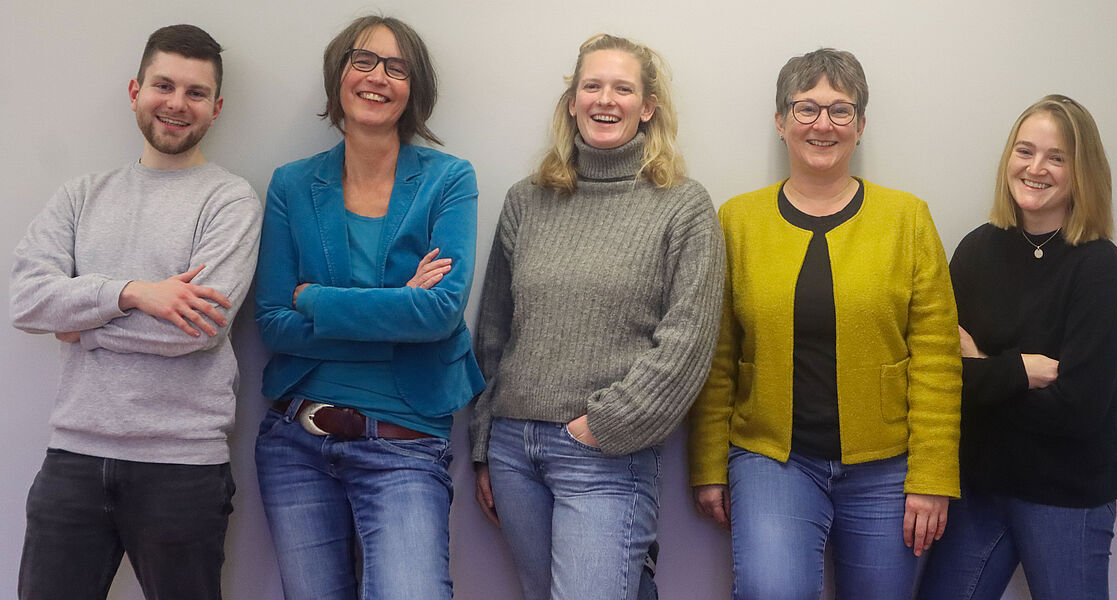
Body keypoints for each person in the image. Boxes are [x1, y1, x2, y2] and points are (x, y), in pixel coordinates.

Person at [687, 48, 962, 600]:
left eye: (841, 110)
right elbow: (716, 355)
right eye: (806, 108)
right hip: (771, 460)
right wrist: (709, 464)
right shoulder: (737, 220)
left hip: (886, 464)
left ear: (860, 125)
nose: (823, 124)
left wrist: (933, 475)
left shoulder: (906, 218)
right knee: (771, 590)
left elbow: (936, 355)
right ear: (780, 121)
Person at [8, 24, 261, 600]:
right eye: (163, 85)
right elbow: (26, 300)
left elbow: (198, 330)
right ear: (135, 91)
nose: (177, 103)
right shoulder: (80, 196)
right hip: (72, 459)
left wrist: (81, 327)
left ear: (216, 107)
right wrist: (133, 294)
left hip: (182, 467)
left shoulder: (229, 200)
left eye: (196, 92)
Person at [469, 33, 724, 600]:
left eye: (622, 89)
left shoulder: (683, 206)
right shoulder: (526, 200)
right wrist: (486, 443)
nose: (605, 100)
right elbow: (493, 333)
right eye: (592, 86)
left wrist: (607, 426)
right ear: (572, 102)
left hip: (605, 454)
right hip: (514, 453)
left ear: (648, 107)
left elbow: (688, 342)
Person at [253, 15, 482, 600]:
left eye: (397, 67)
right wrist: (399, 306)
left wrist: (315, 299)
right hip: (295, 441)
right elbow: (274, 322)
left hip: (405, 443)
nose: (378, 77)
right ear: (339, 75)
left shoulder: (449, 181)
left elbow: (439, 314)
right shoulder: (292, 184)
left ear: (414, 87)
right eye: (364, 61)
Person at [917, 95, 1117, 600]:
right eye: (1025, 151)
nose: (1036, 168)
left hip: (1067, 493)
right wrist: (1018, 372)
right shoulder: (977, 249)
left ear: (1082, 172)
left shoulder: (1100, 268)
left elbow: (1079, 409)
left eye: (1057, 157)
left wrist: (981, 368)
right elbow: (942, 376)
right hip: (982, 486)